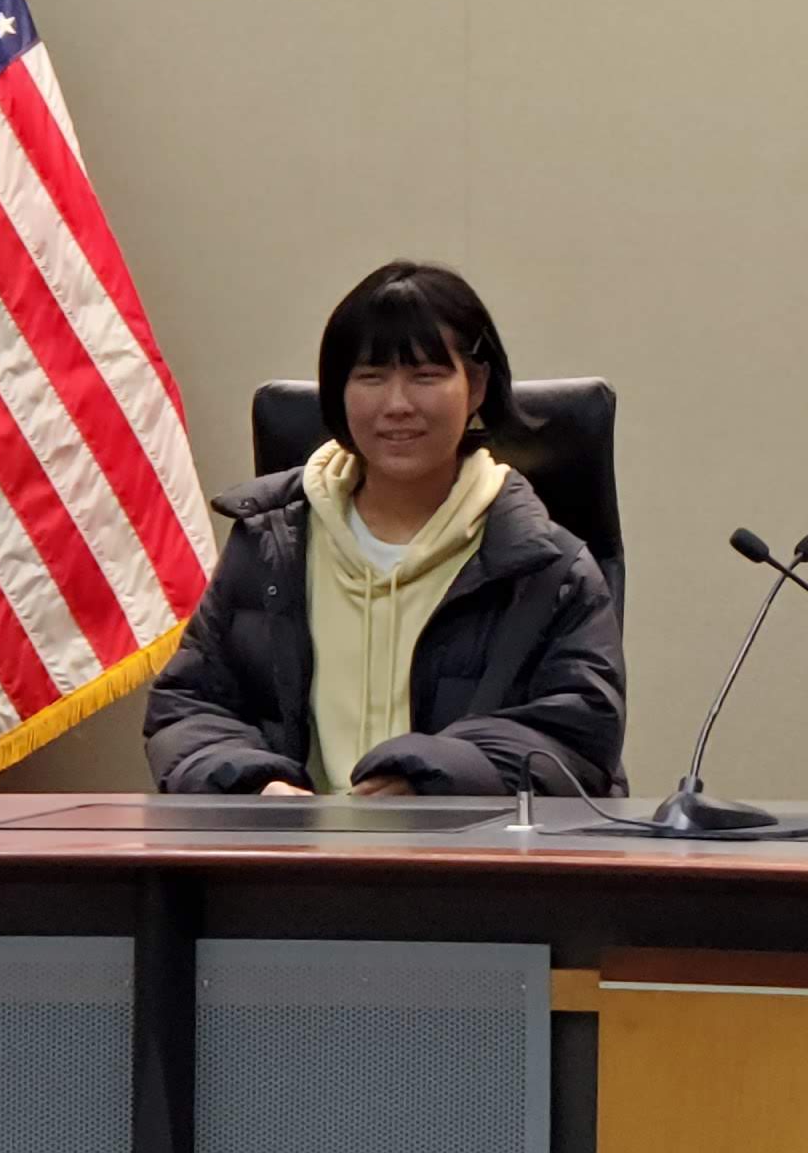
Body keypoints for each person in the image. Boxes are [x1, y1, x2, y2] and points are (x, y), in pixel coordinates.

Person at [144, 261, 624, 798]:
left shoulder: (546, 566)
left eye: (426, 376)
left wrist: (431, 781)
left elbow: (576, 738)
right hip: (291, 863)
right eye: (370, 376)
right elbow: (189, 708)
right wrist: (258, 785)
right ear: (337, 391)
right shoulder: (271, 543)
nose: (397, 405)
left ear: (477, 385)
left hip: (471, 868)